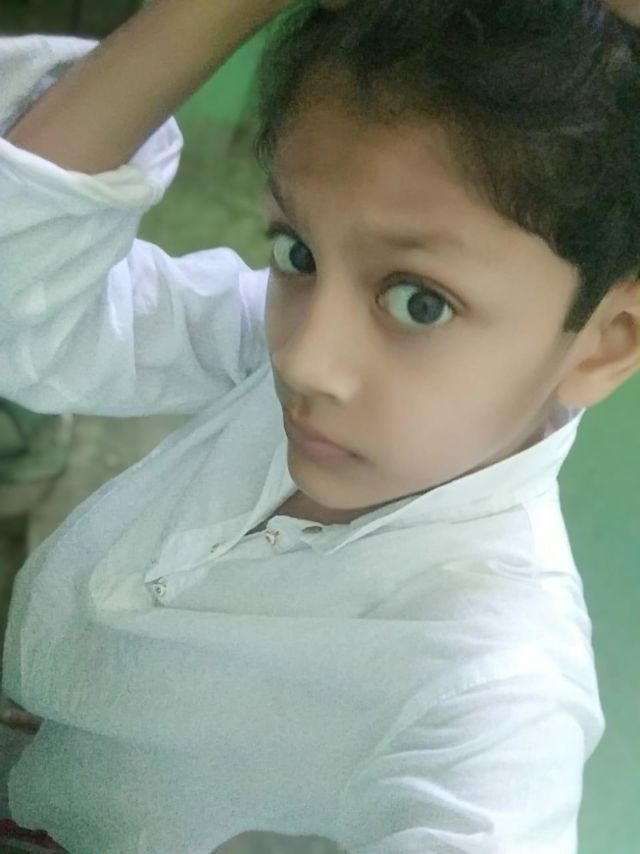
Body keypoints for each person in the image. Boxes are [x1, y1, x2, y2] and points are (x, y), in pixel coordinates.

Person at [0, 0, 639, 851]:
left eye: (419, 302)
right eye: (296, 251)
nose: (303, 359)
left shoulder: (494, 684)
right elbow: (22, 303)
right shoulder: (262, 348)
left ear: (607, 341)